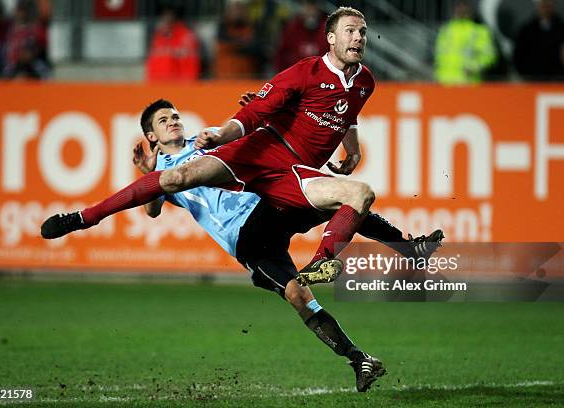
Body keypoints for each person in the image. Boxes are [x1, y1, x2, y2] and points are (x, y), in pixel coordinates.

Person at [39, 7, 383, 294]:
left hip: (292, 174)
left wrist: (351, 149)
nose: (358, 37)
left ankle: (325, 261)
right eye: (350, 30)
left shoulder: (365, 82)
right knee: (177, 176)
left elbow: (347, 113)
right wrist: (221, 133)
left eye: (363, 32)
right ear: (331, 38)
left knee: (360, 194)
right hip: (260, 153)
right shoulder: (304, 71)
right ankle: (85, 218)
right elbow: (254, 113)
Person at [133, 99, 443, 391]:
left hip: (266, 207)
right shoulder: (164, 174)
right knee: (298, 295)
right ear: (152, 135)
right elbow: (152, 209)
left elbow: (251, 139)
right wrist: (149, 173)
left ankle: (408, 248)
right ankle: (360, 360)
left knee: (338, 200)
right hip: (245, 241)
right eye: (164, 120)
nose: (173, 121)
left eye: (174, 116)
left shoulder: (206, 141)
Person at [513, 0, 564, 81]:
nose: (546, 5)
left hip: (558, 82)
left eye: (549, 2)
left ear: (554, 4)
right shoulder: (526, 31)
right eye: (543, 2)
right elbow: (518, 57)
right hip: (532, 82)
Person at [434, 0, 497, 85]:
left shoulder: (479, 31)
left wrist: (473, 67)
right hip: (444, 83)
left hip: (468, 83)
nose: (461, 10)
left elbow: (489, 56)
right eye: (458, 7)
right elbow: (439, 56)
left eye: (464, 7)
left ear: (470, 10)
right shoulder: (445, 30)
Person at [145, 5, 201, 81]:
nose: (166, 20)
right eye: (164, 18)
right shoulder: (158, 36)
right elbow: (153, 60)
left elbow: (190, 62)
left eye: (169, 17)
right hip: (157, 82)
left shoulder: (186, 35)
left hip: (178, 84)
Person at [274, 0, 328, 73]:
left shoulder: (327, 28)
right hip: (295, 76)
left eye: (313, 7)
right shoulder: (292, 27)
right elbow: (281, 53)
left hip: (321, 76)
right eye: (307, 7)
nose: (310, 11)